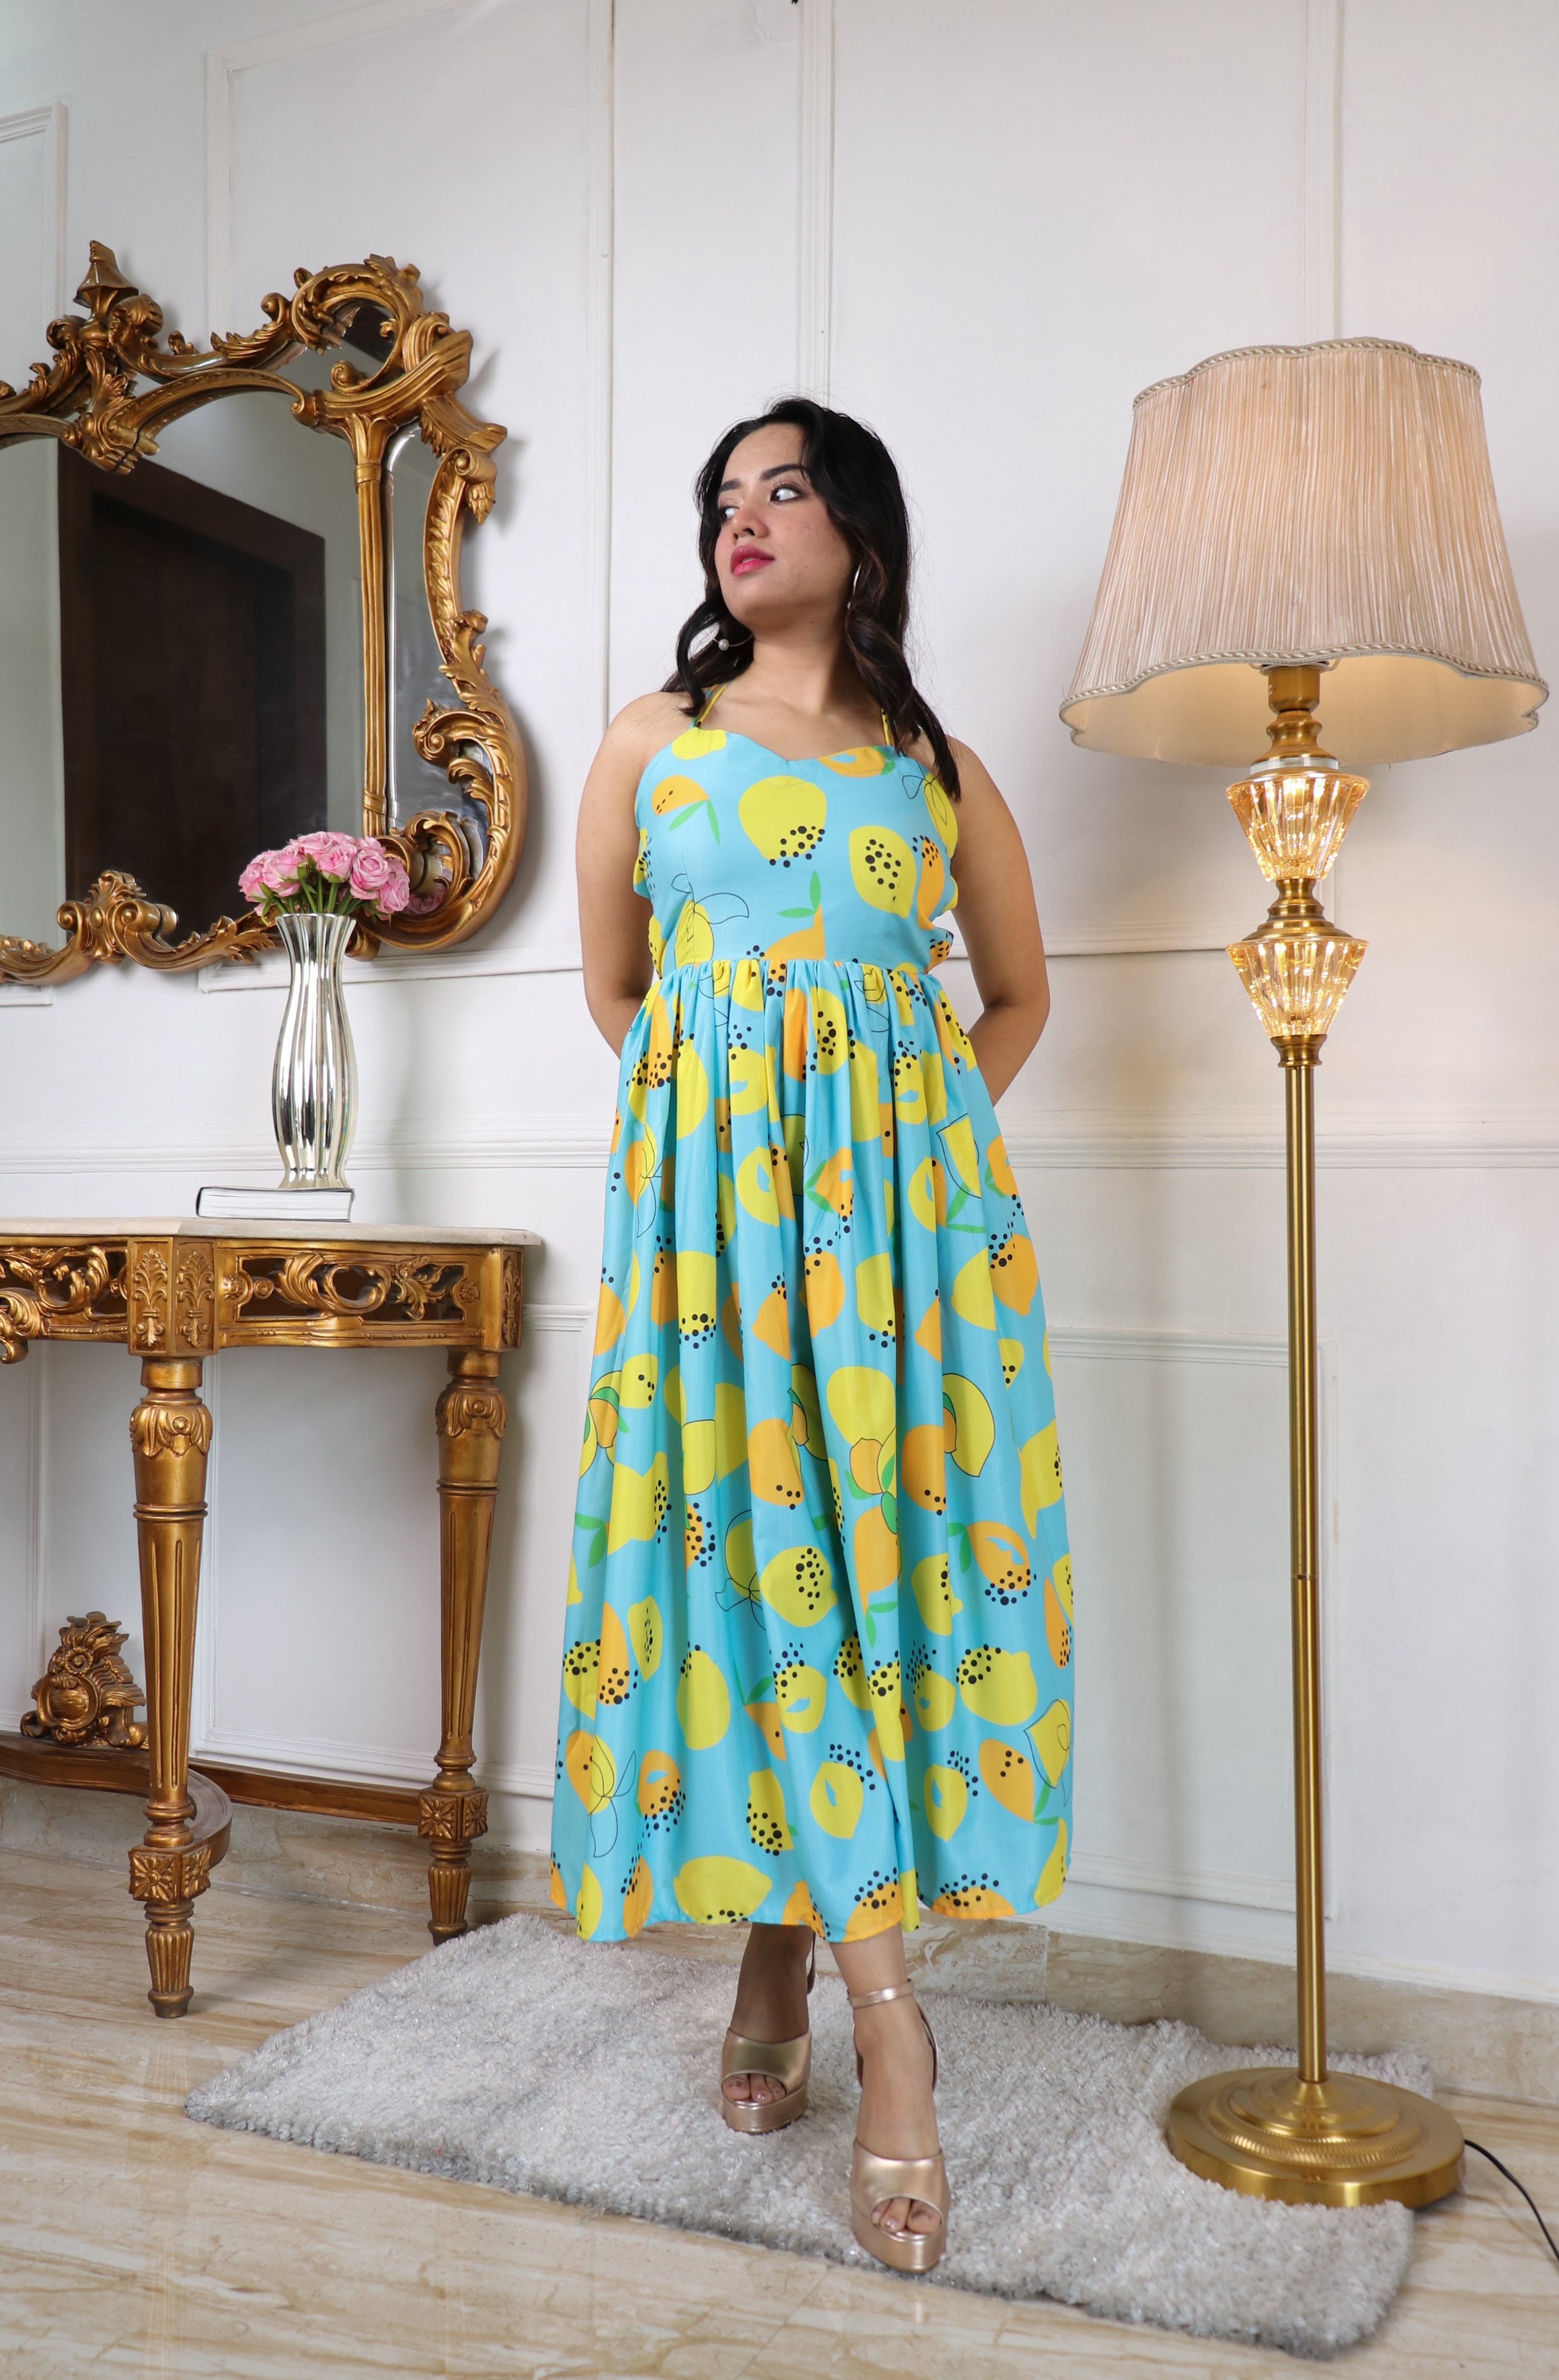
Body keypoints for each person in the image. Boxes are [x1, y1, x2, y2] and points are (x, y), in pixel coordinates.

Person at [552, 397, 1072, 2274]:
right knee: (765, 1573)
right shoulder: (653, 743)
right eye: (724, 496)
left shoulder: (937, 768)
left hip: (911, 1256)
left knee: (877, 1579)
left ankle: (784, 1946)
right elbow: (623, 994)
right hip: (712, 1248)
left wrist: (906, 1151)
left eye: (784, 488)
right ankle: (889, 2021)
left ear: (860, 529)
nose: (743, 517)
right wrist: (730, 1161)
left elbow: (1015, 996)